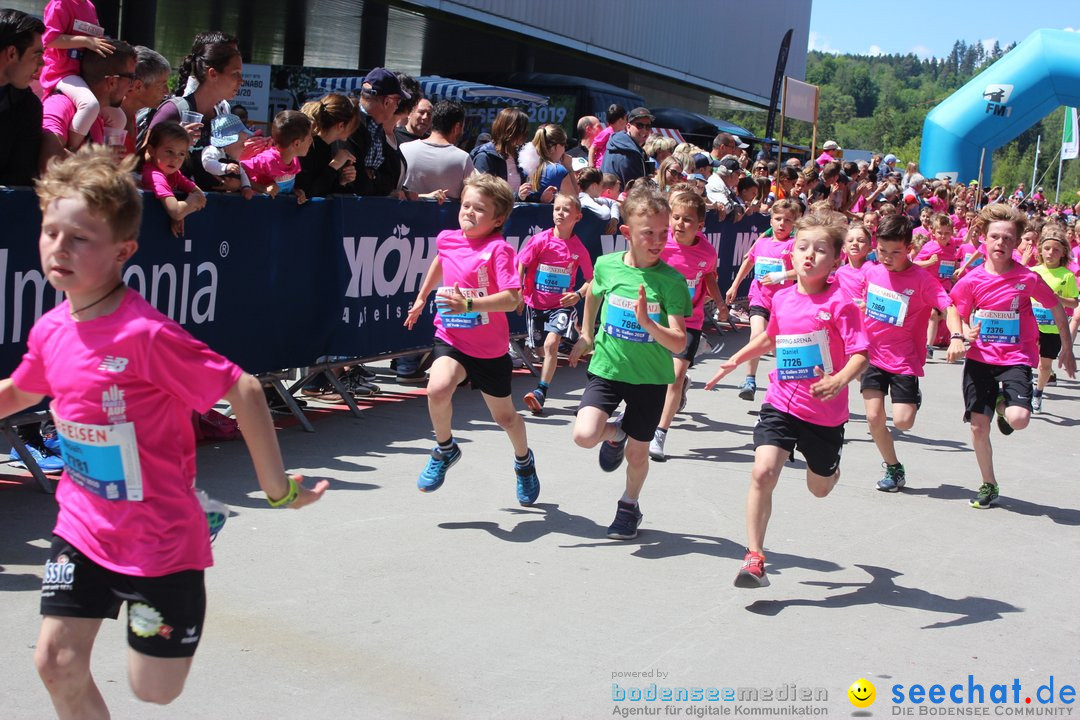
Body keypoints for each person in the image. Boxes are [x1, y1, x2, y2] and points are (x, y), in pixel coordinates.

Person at [6, 145, 327, 719]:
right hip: (83, 530)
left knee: (154, 691)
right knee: (55, 662)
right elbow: (21, 392)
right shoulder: (52, 328)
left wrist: (278, 491)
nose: (59, 247)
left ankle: (195, 515)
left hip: (160, 544)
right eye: (51, 231)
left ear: (123, 251)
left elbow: (245, 389)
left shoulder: (144, 335)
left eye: (80, 237)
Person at [705, 214, 869, 587]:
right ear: (791, 255)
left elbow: (861, 352)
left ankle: (830, 469)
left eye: (820, 249)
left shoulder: (842, 304)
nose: (809, 255)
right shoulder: (782, 298)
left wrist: (841, 379)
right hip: (781, 401)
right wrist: (733, 362)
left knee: (820, 488)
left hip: (824, 414)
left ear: (837, 259)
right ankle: (754, 558)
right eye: (802, 247)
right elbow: (770, 339)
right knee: (762, 471)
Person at [404, 173, 540, 505]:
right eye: (465, 205)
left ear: (498, 219)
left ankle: (524, 461)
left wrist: (469, 303)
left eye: (479, 209)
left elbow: (511, 299)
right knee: (437, 388)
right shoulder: (448, 238)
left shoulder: (499, 250)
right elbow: (440, 261)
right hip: (450, 335)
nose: (468, 212)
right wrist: (422, 298)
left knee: (505, 418)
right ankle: (445, 448)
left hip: (489, 348)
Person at [568, 187, 691, 540]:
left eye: (663, 233)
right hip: (608, 368)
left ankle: (628, 505)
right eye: (647, 233)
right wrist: (587, 334)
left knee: (638, 456)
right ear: (626, 234)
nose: (657, 241)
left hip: (651, 378)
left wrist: (649, 324)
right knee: (584, 434)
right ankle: (616, 431)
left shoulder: (671, 281)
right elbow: (592, 291)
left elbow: (680, 341)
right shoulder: (607, 266)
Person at [947, 204, 1077, 509]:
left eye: (1007, 238)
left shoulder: (1028, 278)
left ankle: (1004, 408)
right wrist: (961, 333)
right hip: (980, 359)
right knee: (979, 426)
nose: (1000, 243)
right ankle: (989, 484)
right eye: (995, 237)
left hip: (1016, 357)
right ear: (984, 239)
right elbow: (957, 311)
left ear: (1016, 242)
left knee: (1019, 419)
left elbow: (1057, 307)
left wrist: (1067, 347)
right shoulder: (971, 280)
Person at [858, 214, 960, 492]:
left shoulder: (922, 280)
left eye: (895, 252)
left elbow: (948, 307)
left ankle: (913, 397)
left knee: (903, 421)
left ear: (909, 250)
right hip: (872, 356)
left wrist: (957, 337)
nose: (887, 258)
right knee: (874, 418)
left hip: (903, 359)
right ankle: (893, 467)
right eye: (882, 251)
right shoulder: (871, 271)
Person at [649, 190, 721, 461]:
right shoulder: (660, 243)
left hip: (689, 321)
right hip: (657, 318)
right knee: (651, 373)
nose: (679, 224)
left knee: (675, 376)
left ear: (700, 226)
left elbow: (709, 278)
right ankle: (634, 410)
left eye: (687, 220)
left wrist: (721, 303)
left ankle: (659, 434)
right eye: (675, 217)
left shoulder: (707, 252)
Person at [517, 193, 593, 415]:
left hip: (561, 305)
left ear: (577, 217)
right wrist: (519, 291)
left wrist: (578, 294)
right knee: (540, 349)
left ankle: (541, 391)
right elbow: (522, 263)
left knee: (551, 346)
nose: (560, 213)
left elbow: (592, 280)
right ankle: (573, 338)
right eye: (557, 209)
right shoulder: (541, 240)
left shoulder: (578, 248)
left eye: (566, 210)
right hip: (536, 303)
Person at [724, 198, 801, 400]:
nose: (782, 224)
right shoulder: (762, 242)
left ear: (794, 223)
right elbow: (748, 263)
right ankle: (749, 379)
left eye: (787, 220)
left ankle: (787, 382)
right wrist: (734, 285)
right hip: (759, 298)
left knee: (779, 345)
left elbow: (802, 271)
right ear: (771, 220)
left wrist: (782, 276)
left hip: (783, 302)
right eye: (778, 219)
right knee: (756, 336)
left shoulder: (794, 245)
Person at [146, 37, 243, 181]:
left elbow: (216, 165)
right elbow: (144, 158)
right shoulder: (173, 110)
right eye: (235, 73)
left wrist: (233, 181)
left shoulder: (221, 116)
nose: (241, 81)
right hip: (170, 200)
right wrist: (178, 139)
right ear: (213, 74)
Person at [40, 0, 126, 151]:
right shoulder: (60, 3)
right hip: (61, 73)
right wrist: (86, 41)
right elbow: (49, 40)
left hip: (85, 75)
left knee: (119, 117)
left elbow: (94, 39)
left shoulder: (90, 6)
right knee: (90, 105)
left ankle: (109, 159)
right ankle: (70, 149)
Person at [40, 39, 135, 164]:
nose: (132, 86)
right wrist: (99, 159)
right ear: (112, 81)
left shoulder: (101, 115)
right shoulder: (59, 105)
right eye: (131, 78)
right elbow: (49, 162)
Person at [1030, 229, 1078, 413]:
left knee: (1045, 365)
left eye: (1056, 250)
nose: (1050, 253)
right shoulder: (1033, 271)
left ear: (1063, 253)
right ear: (1040, 250)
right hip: (1031, 326)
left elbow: (1074, 303)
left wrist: (1059, 299)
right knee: (1024, 360)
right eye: (1047, 248)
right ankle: (1023, 387)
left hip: (1052, 329)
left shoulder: (1066, 276)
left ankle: (1038, 392)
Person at [0, 8, 45, 186]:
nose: (42, 63)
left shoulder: (28, 106)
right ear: (12, 53)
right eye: (37, 54)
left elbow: (20, 177)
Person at [138, 121, 207, 237]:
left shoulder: (174, 174)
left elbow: (200, 195)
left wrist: (183, 212)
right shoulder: (154, 175)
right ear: (151, 151)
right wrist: (188, 205)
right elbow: (176, 211)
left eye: (181, 154)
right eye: (169, 151)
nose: (175, 159)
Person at [400, 99, 473, 201]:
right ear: (457, 127)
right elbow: (472, 197)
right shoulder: (463, 159)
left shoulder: (404, 149)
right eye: (462, 127)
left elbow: (394, 191)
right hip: (444, 216)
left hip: (403, 215)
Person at [240, 109, 313, 203]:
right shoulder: (266, 160)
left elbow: (284, 189)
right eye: (309, 137)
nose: (312, 140)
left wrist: (296, 192)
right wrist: (262, 188)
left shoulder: (294, 159)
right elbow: (238, 170)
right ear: (297, 144)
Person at [295, 92, 358, 199]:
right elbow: (307, 192)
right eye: (353, 124)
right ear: (341, 125)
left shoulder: (325, 146)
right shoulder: (307, 145)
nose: (354, 130)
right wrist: (335, 165)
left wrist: (342, 181)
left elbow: (326, 189)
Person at [913, 213, 959, 356]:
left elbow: (954, 261)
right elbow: (913, 264)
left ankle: (932, 345)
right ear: (933, 231)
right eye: (940, 232)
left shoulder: (952, 247)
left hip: (943, 286)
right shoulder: (929, 247)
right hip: (928, 286)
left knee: (941, 313)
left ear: (951, 232)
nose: (943, 236)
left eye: (947, 233)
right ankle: (926, 344)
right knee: (930, 315)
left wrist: (955, 271)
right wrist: (928, 262)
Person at [469, 106, 528, 196]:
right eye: (521, 131)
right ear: (508, 131)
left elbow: (523, 193)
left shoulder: (518, 156)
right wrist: (517, 196)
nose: (523, 135)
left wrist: (540, 197)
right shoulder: (485, 157)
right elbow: (484, 193)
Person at [123, 46, 170, 154]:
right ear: (138, 86)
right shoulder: (111, 119)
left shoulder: (130, 114)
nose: (167, 91)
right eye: (162, 85)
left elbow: (133, 163)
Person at [199, 112, 253, 199]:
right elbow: (207, 164)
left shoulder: (232, 157)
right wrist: (225, 167)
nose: (244, 146)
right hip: (203, 196)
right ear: (229, 142)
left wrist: (246, 187)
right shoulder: (212, 150)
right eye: (242, 143)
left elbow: (242, 173)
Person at [518, 123, 576, 202]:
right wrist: (569, 168)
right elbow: (574, 199)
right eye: (564, 145)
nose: (564, 150)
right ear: (555, 147)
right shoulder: (558, 170)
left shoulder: (523, 167)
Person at [599, 106, 652, 187]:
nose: (644, 130)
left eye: (648, 126)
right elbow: (635, 190)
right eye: (640, 125)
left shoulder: (621, 144)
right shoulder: (628, 152)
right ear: (628, 127)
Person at [705, 156, 746, 221]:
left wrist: (738, 207)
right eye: (738, 174)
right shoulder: (715, 183)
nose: (739, 177)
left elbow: (735, 206)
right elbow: (726, 208)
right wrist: (737, 208)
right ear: (731, 174)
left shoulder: (722, 184)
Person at [589, 103, 626, 170]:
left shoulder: (624, 133)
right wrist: (591, 166)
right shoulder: (608, 132)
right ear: (622, 119)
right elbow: (593, 147)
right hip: (601, 167)